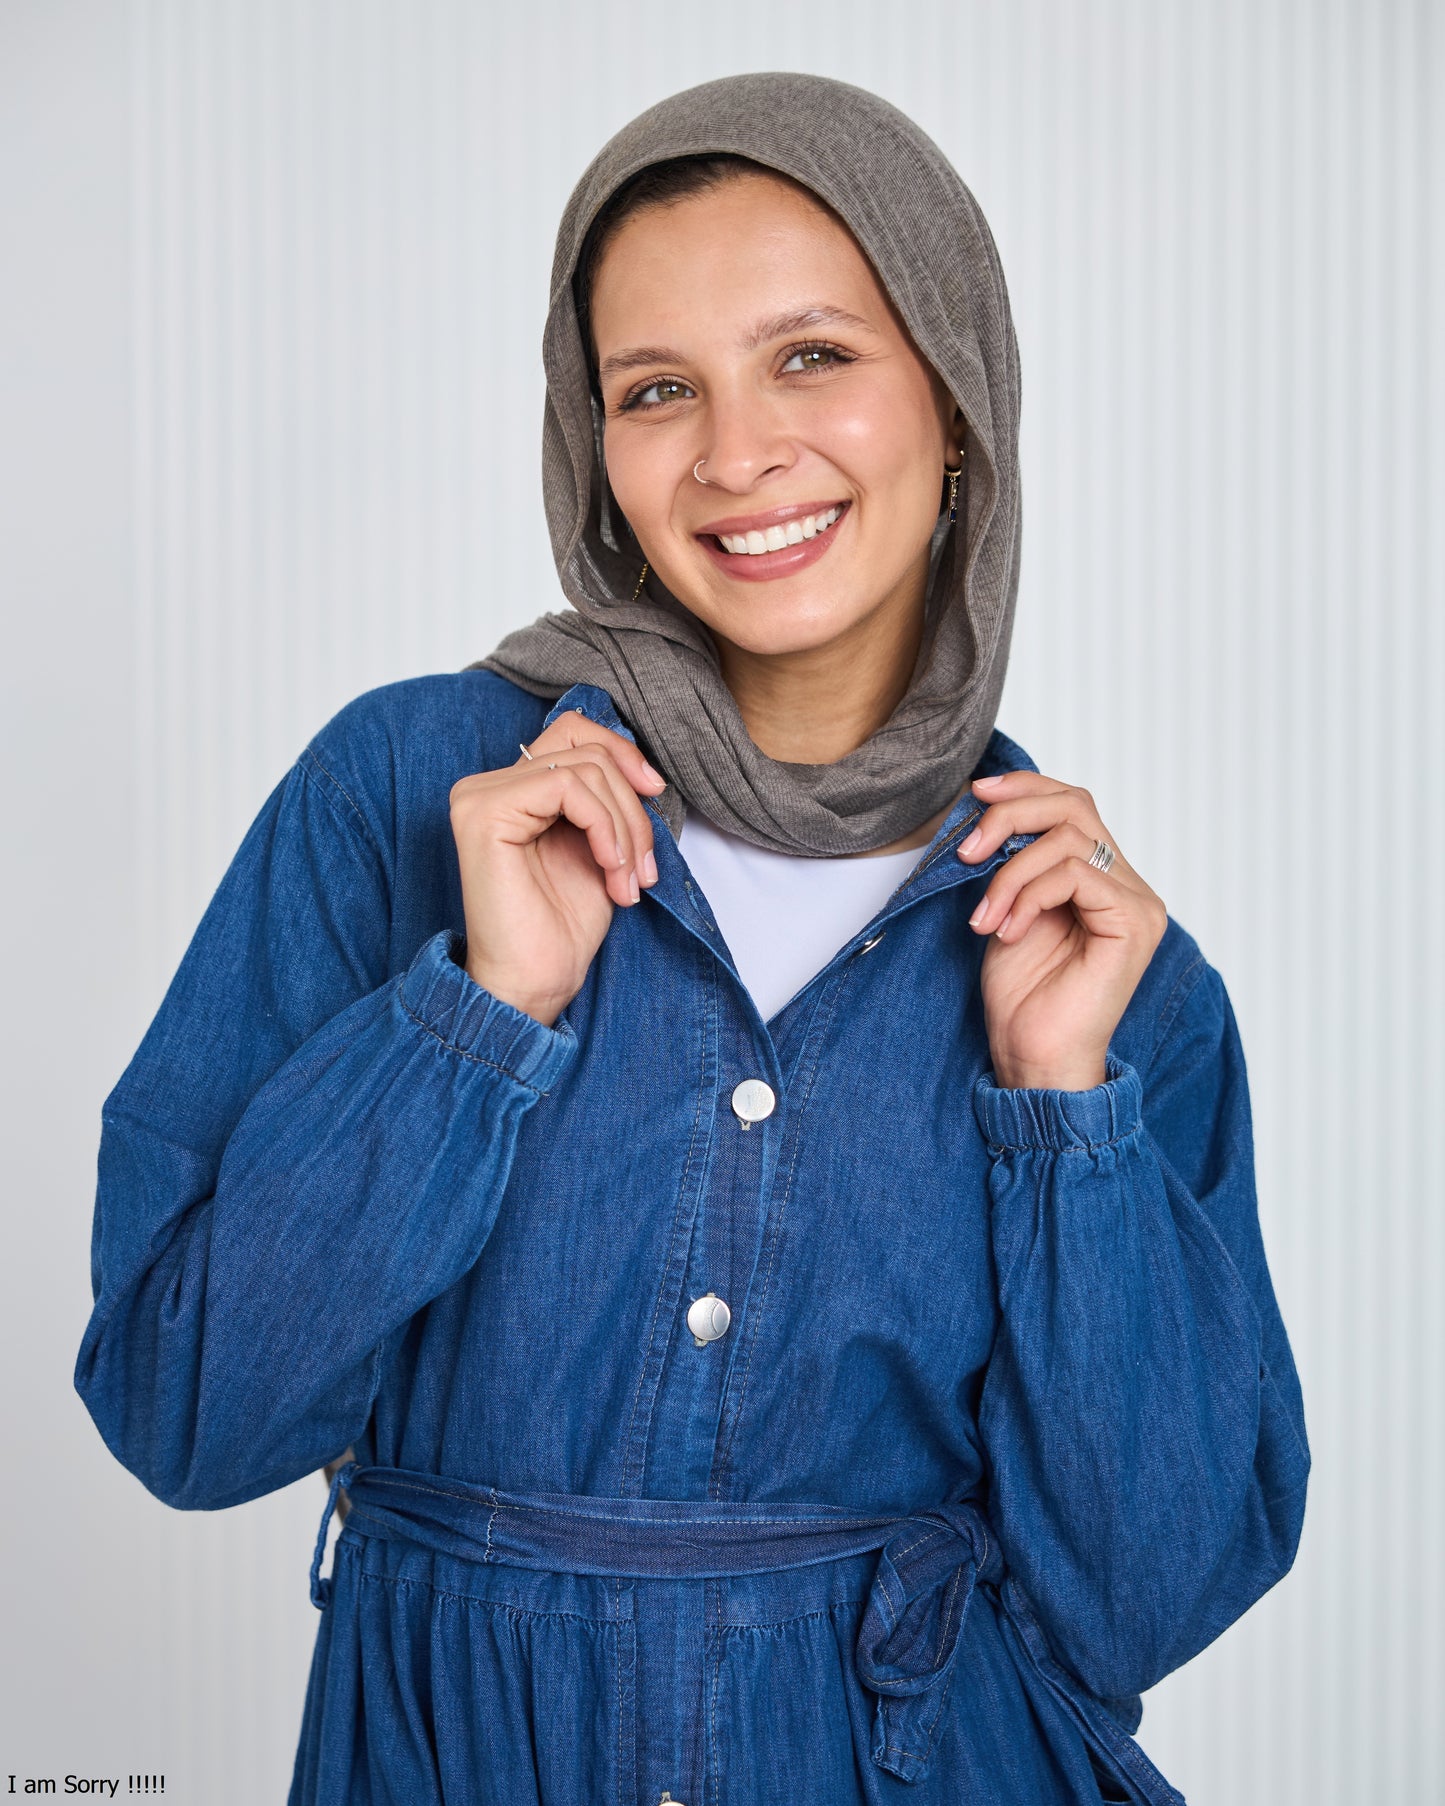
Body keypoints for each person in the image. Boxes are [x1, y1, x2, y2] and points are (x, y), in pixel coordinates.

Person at [74, 71, 1310, 1806]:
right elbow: (185, 1416)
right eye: (657, 390)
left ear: (954, 403)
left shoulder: (1093, 956)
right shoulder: (411, 794)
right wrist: (479, 1015)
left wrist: (1065, 1115)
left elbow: (1151, 1595)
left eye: (811, 355)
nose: (737, 456)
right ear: (596, 451)